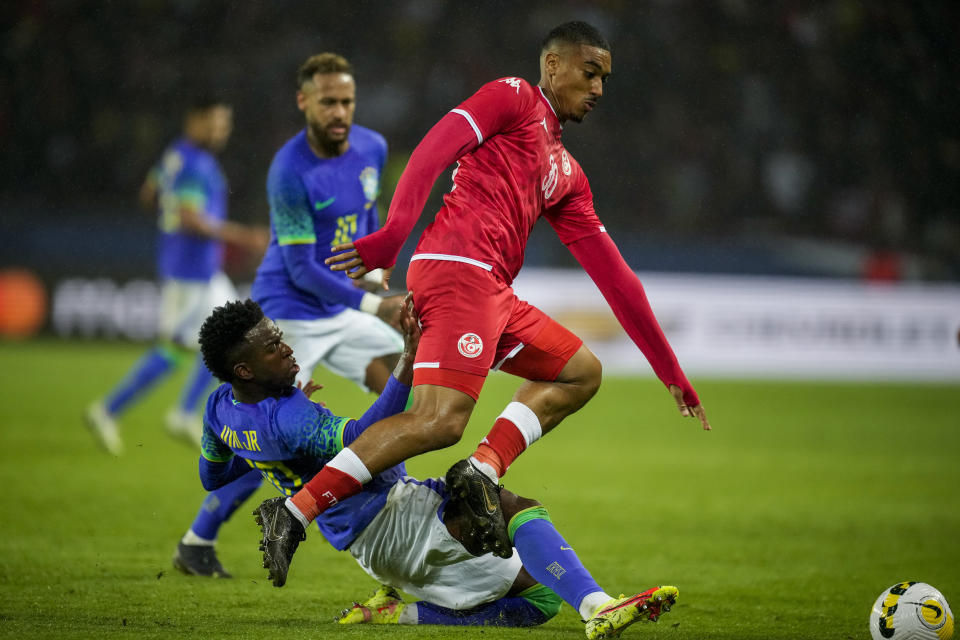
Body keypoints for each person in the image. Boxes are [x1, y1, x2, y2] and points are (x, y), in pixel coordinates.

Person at [256, 21, 712, 580]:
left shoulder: (567, 174)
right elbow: (432, 151)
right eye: (589, 73)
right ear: (552, 66)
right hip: (458, 270)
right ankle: (294, 511)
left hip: (494, 289)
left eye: (605, 79)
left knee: (581, 372)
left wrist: (670, 369)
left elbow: (618, 279)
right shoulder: (512, 97)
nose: (598, 89)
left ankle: (480, 470)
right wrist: (393, 234)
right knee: (438, 420)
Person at [196, 298, 678, 639]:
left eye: (278, 335)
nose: (285, 347)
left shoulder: (220, 408)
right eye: (272, 346)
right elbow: (370, 437)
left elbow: (212, 477)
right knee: (516, 528)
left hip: (369, 535)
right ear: (245, 370)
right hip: (390, 522)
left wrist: (261, 452)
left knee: (485, 512)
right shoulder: (292, 418)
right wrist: (409, 358)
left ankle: (396, 606)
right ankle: (597, 608)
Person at [169, 53, 407, 577]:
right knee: (276, 437)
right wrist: (373, 304)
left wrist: (374, 272)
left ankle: (400, 510)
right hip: (287, 315)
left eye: (346, 101)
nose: (339, 112)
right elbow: (300, 267)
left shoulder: (372, 147)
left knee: (402, 386)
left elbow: (365, 225)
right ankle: (196, 542)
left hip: (339, 305)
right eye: (328, 102)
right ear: (304, 102)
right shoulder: (289, 170)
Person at [85, 96, 266, 457]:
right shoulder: (197, 165)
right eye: (215, 122)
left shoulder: (177, 154)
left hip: (198, 270)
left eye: (225, 123)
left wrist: (170, 210)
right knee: (174, 351)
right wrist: (245, 237)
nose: (222, 130)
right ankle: (108, 409)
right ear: (195, 121)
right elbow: (190, 219)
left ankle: (183, 413)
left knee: (238, 336)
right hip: (190, 273)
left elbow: (148, 193)